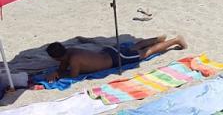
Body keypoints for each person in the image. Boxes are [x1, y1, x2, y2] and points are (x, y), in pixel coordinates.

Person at [46, 36, 187, 78]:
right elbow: (62, 66)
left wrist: (59, 75)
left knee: (146, 53)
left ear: (56, 58)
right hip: (110, 51)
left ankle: (175, 40)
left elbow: (74, 75)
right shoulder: (70, 51)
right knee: (134, 47)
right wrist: (58, 72)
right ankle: (156, 39)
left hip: (115, 59)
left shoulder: (74, 59)